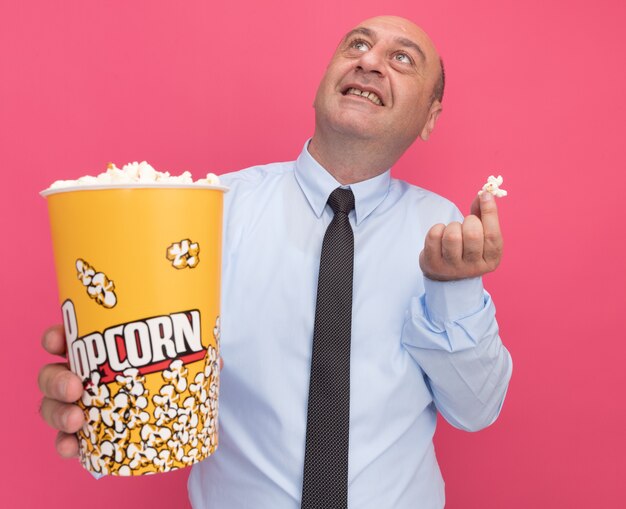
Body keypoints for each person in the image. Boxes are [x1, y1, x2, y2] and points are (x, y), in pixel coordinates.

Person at [38, 15, 512, 508]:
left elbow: (475, 409)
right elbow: (144, 359)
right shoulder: (210, 213)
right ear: (323, 82)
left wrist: (454, 289)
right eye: (357, 44)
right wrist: (99, 396)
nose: (369, 61)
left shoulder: (444, 230)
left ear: (430, 118)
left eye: (401, 58)